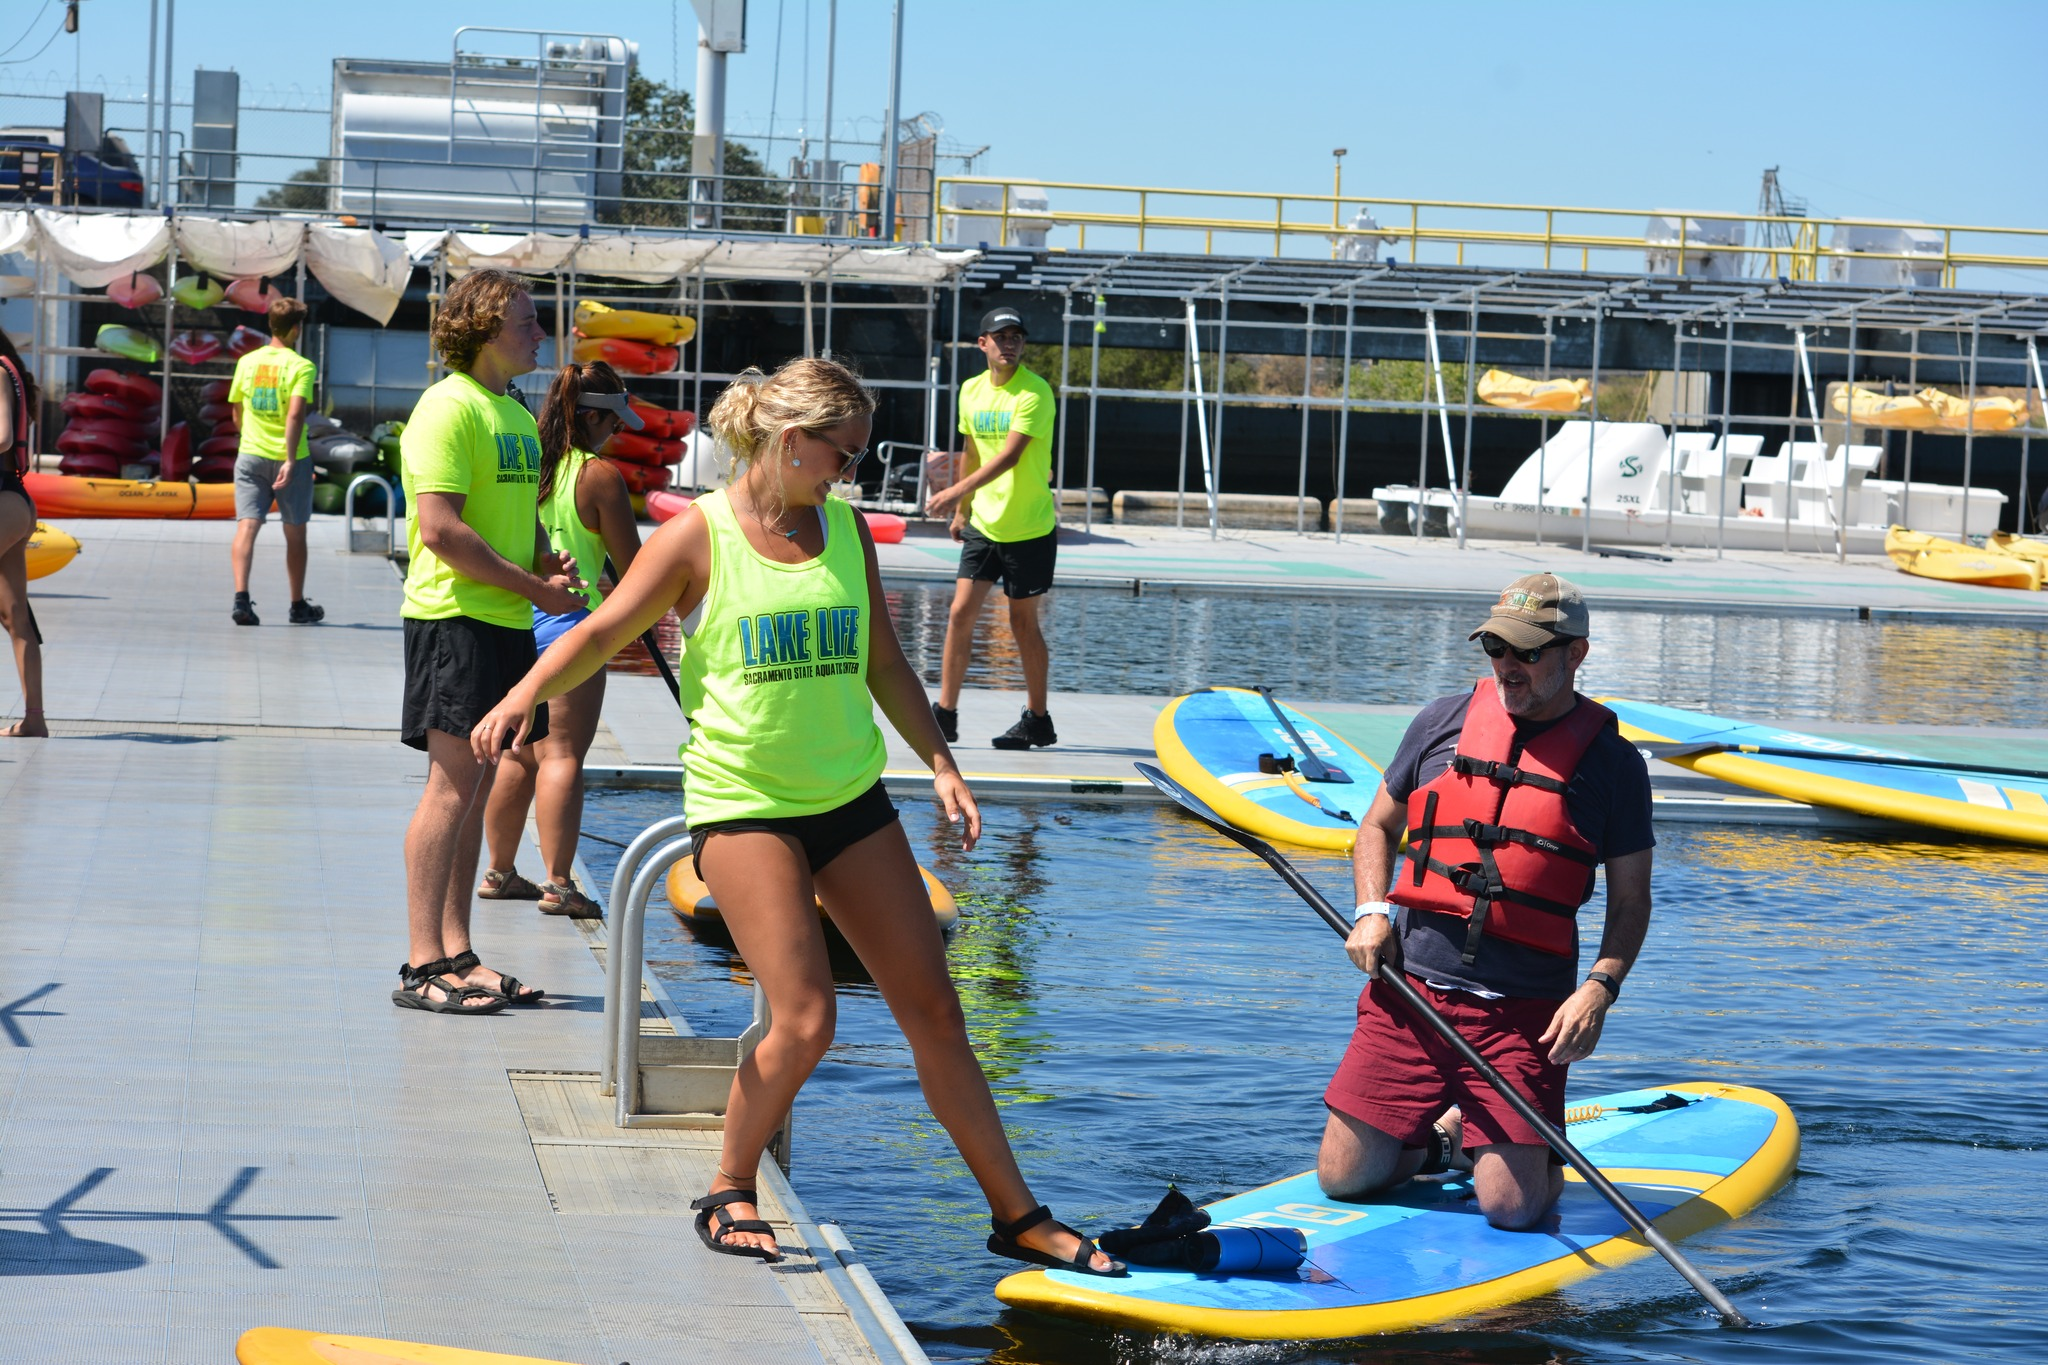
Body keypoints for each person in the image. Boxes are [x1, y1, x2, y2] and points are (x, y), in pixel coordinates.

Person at [472, 357, 1121, 1276]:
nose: (849, 474)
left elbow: (885, 664)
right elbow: (603, 628)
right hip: (744, 806)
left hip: (849, 799)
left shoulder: (848, 534)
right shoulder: (697, 538)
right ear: (788, 442)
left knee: (937, 1009)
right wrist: (520, 695)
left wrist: (942, 764)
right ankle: (728, 1183)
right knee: (808, 1017)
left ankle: (1019, 1215)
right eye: (842, 455)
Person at [1318, 573, 1653, 1230]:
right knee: (1344, 1177)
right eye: (1496, 647)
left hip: (1521, 1016)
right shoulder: (1441, 721)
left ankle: (1530, 1146)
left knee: (1512, 1207)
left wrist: (1599, 989)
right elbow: (1377, 826)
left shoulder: (1614, 765)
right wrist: (1371, 909)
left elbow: (1632, 900)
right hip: (1410, 995)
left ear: (1575, 653)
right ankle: (1446, 1137)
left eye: (1526, 651)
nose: (1508, 665)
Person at [393, 268, 585, 1016]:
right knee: (448, 790)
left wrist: (542, 559)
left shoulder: (508, 410)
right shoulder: (447, 408)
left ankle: (458, 951)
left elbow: (509, 513)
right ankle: (420, 964)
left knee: (471, 789)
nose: (542, 333)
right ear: (481, 328)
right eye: (528, 322)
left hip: (505, 621)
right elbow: (439, 529)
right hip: (455, 621)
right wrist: (535, 590)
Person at [477, 361, 643, 917]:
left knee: (518, 754)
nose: (617, 433)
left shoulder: (528, 461)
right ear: (593, 416)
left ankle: (499, 873)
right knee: (563, 754)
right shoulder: (599, 476)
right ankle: (559, 884)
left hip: (515, 619)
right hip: (572, 626)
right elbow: (636, 569)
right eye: (614, 422)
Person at [924, 306, 1060, 751]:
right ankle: (945, 715)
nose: (1009, 344)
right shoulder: (970, 390)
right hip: (984, 521)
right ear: (982, 343)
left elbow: (1009, 457)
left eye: (1016, 336)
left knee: (1022, 623)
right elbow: (974, 450)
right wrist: (963, 508)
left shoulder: (1035, 392)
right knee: (960, 612)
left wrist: (948, 492)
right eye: (1000, 337)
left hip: (1028, 527)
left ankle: (1038, 720)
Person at [227, 297, 323, 626]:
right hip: (290, 460)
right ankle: (297, 605)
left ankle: (242, 600)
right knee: (295, 532)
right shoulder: (301, 366)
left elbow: (236, 410)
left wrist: (248, 438)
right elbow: (295, 413)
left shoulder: (246, 362)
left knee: (247, 526)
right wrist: (290, 458)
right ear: (296, 328)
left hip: (250, 454)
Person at [0, 331, 45, 738]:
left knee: (16, 618)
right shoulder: (10, 371)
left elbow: (1, 435)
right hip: (13, 500)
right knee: (15, 617)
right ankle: (34, 719)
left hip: (2, 499)